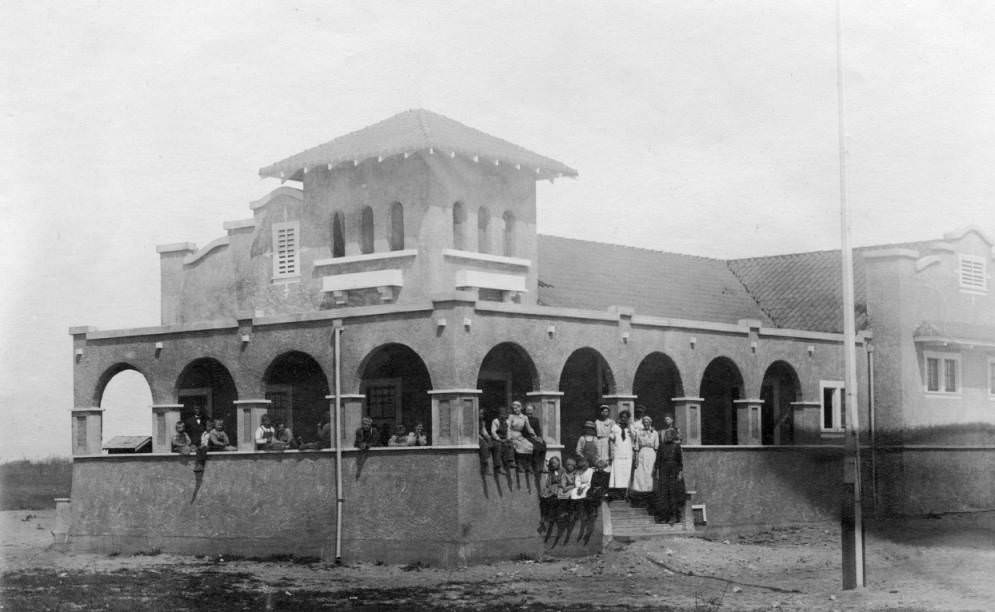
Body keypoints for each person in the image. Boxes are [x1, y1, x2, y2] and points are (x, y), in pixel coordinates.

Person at [654, 415, 685, 524]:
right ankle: (664, 516)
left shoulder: (676, 447)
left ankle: (674, 516)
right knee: (663, 494)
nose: (668, 436)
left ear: (673, 436)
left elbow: (680, 461)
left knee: (673, 494)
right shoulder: (661, 446)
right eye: (666, 435)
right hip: (663, 470)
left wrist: (680, 473)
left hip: (674, 471)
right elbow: (658, 460)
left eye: (670, 435)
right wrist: (657, 472)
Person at [630, 415, 658, 508]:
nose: (646, 424)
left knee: (649, 475)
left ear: (650, 423)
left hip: (651, 455)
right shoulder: (639, 432)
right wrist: (636, 459)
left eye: (648, 422)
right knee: (640, 475)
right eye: (644, 422)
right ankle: (641, 498)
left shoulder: (655, 433)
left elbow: (656, 447)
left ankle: (650, 498)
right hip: (642, 454)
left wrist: (657, 461)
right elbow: (637, 447)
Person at [608, 410, 635, 498]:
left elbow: (634, 440)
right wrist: (611, 453)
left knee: (626, 473)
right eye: (622, 417)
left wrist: (630, 429)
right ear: (620, 418)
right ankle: (618, 493)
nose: (624, 419)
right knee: (618, 472)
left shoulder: (631, 427)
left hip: (627, 453)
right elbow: (611, 440)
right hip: (618, 453)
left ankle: (626, 493)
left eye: (626, 417)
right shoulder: (615, 427)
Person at [506, 401, 536, 473]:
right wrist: (509, 437)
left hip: (520, 435)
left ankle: (528, 465)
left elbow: (529, 428)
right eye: (513, 408)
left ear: (520, 408)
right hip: (512, 435)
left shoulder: (524, 417)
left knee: (530, 445)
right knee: (518, 446)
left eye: (516, 408)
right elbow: (508, 427)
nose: (515, 410)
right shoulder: (511, 417)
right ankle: (519, 465)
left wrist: (534, 435)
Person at [538, 456, 562, 534]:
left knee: (551, 499)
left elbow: (563, 481)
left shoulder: (563, 470)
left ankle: (548, 518)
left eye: (555, 463)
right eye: (552, 463)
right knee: (543, 499)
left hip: (560, 488)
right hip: (552, 488)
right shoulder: (551, 472)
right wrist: (547, 489)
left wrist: (556, 487)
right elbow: (548, 483)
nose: (553, 464)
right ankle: (543, 518)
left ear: (559, 462)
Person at [524, 404, 547, 475]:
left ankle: (541, 466)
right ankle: (534, 466)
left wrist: (540, 438)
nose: (529, 411)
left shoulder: (535, 420)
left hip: (533, 437)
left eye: (530, 410)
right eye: (528, 410)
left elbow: (538, 431)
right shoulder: (523, 418)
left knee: (543, 444)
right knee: (535, 447)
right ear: (525, 410)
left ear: (533, 411)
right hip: (525, 437)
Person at [490, 407, 515, 473]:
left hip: (504, 438)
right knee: (498, 446)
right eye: (502, 414)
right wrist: (499, 439)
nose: (503, 416)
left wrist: (508, 439)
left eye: (504, 414)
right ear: (499, 414)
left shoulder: (507, 422)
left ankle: (510, 461)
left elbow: (509, 431)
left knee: (510, 444)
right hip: (496, 439)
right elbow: (493, 432)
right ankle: (498, 467)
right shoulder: (495, 421)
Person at [478, 409, 502, 474]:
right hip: (475, 437)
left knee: (497, 444)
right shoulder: (474, 420)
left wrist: (488, 437)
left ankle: (497, 466)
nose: (481, 415)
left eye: (483, 414)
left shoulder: (482, 421)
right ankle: (485, 465)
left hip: (481, 436)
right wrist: (482, 438)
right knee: (485, 445)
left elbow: (483, 430)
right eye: (480, 414)